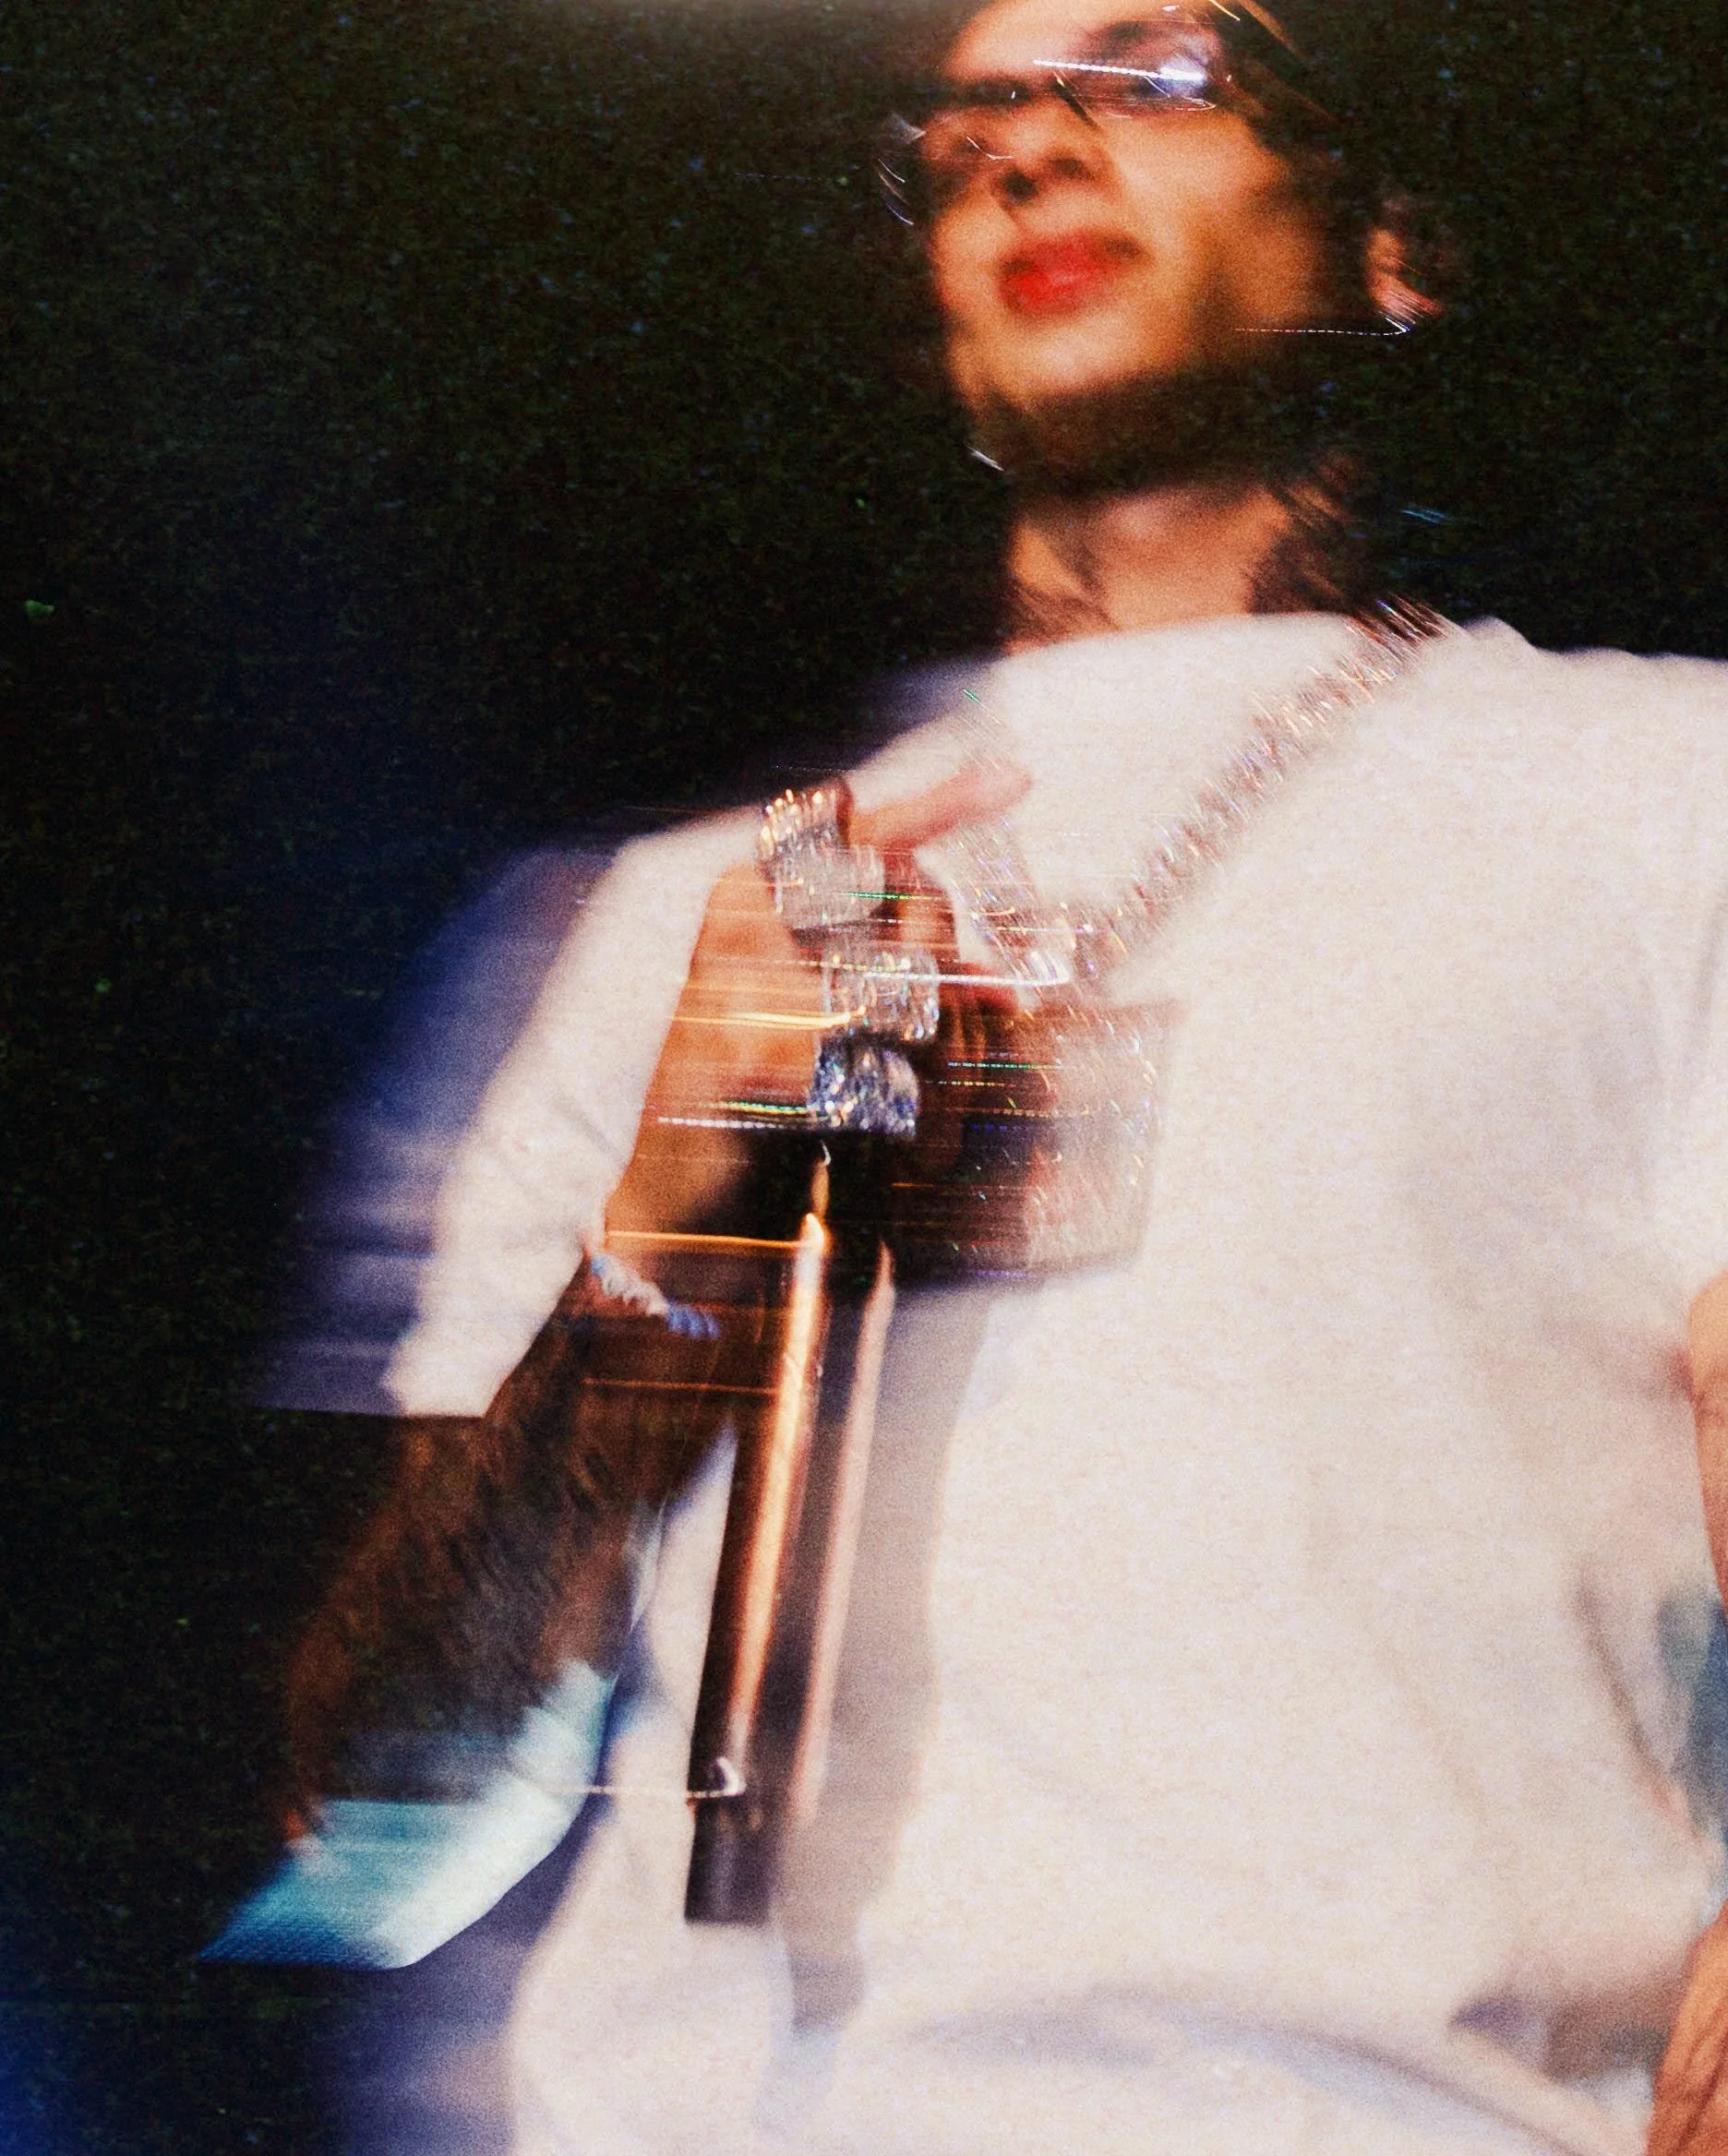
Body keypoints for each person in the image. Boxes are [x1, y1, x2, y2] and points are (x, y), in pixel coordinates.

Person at [295, 0, 1728, 2148]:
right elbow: (382, 1851)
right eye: (962, 126)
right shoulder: (695, 916)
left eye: (1150, 76)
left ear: (1389, 243)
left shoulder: (1658, 795)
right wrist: (679, 1226)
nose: (1026, 151)